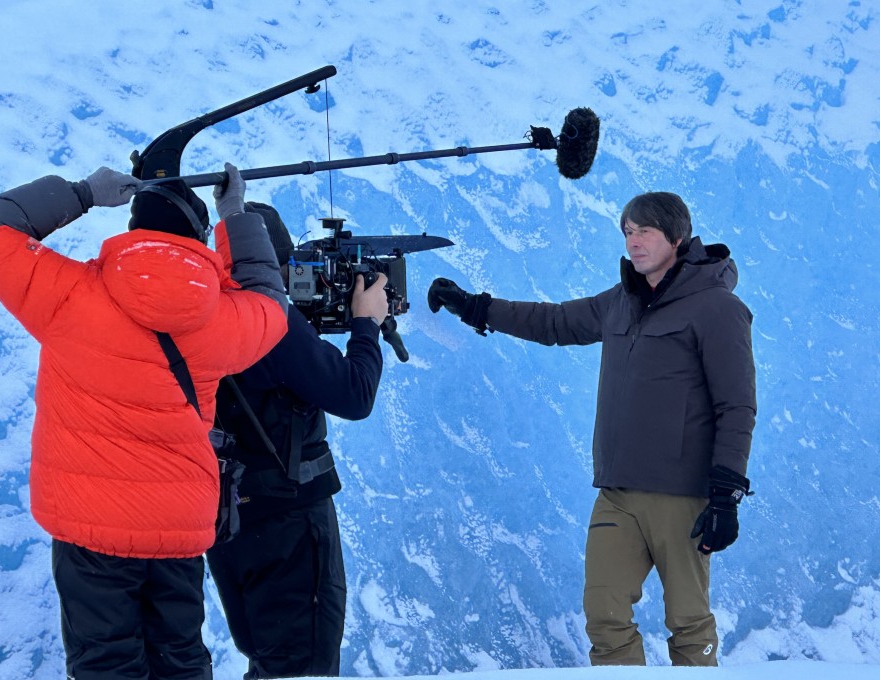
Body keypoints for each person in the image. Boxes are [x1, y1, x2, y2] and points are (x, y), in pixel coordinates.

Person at [0, 163, 289, 679]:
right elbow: (270, 305)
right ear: (194, 236)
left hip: (89, 527)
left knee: (105, 664)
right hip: (178, 528)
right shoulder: (217, 321)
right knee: (181, 657)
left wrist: (81, 194)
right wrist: (235, 217)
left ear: (133, 230)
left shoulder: (68, 296)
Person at [427, 191, 757, 667]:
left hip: (682, 496)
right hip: (618, 492)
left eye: (644, 231)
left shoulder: (717, 309)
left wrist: (726, 495)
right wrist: (476, 308)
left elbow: (737, 406)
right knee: (603, 615)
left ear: (677, 237)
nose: (633, 241)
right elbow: (554, 321)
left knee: (687, 620)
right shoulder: (620, 302)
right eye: (627, 232)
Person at [205, 201, 387, 679]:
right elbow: (354, 394)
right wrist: (365, 324)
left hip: (227, 522)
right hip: (288, 523)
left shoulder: (199, 314)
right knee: (299, 667)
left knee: (266, 660)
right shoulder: (270, 323)